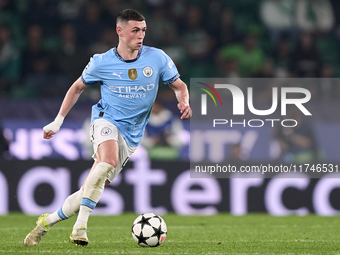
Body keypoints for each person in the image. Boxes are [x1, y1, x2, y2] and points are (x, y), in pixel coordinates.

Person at [24, 9, 191, 247]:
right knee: (108, 160)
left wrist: (183, 99)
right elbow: (77, 88)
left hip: (132, 136)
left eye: (143, 30)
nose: (141, 35)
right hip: (105, 119)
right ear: (119, 31)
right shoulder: (102, 62)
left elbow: (179, 85)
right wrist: (57, 121)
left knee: (90, 188)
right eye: (135, 30)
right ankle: (80, 228)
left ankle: (45, 223)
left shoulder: (157, 58)